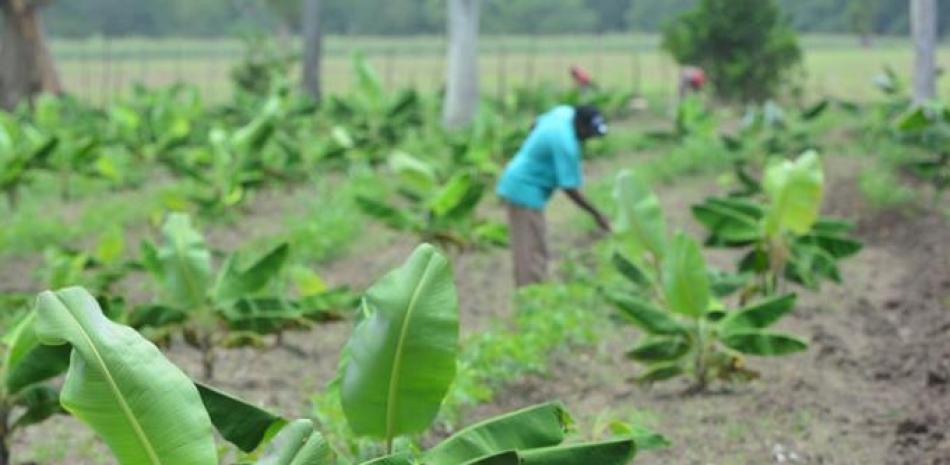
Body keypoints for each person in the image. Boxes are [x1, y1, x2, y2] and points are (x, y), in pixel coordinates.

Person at [496, 105, 611, 287]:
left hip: (522, 181)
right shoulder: (565, 144)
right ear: (580, 125)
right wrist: (597, 214)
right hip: (524, 190)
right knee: (530, 251)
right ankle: (529, 297)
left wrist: (536, 151)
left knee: (536, 246)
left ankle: (535, 291)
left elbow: (535, 124)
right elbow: (570, 188)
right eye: (589, 133)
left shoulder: (563, 113)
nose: (589, 138)